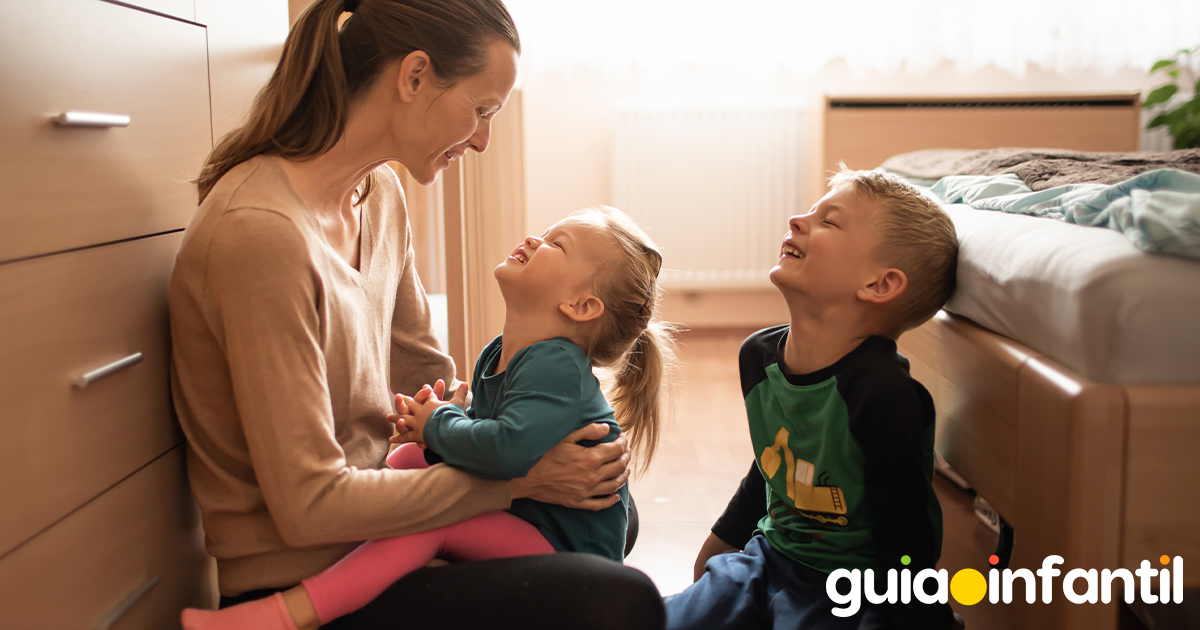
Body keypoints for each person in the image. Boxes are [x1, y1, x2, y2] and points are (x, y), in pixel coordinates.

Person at [169, 0, 664, 628]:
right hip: (305, 573)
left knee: (611, 514)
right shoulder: (261, 236)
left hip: (386, 526)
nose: (483, 140)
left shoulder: (378, 196)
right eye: (481, 110)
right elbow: (308, 508)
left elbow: (422, 377)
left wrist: (513, 424)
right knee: (623, 599)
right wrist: (520, 478)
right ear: (414, 77)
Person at [181, 207, 677, 630]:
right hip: (540, 517)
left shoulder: (553, 366)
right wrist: (445, 419)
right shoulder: (503, 353)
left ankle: (284, 616)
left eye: (556, 245)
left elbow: (504, 450)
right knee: (411, 458)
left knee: (429, 521)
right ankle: (363, 542)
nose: (534, 239)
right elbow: (489, 433)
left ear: (581, 305)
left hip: (560, 544)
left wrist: (440, 422)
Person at [663, 167, 961, 629]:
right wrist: (723, 541)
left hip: (854, 586)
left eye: (830, 221)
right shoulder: (759, 358)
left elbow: (907, 536)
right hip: (769, 557)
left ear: (879, 285)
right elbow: (771, 467)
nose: (797, 220)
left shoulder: (883, 395)